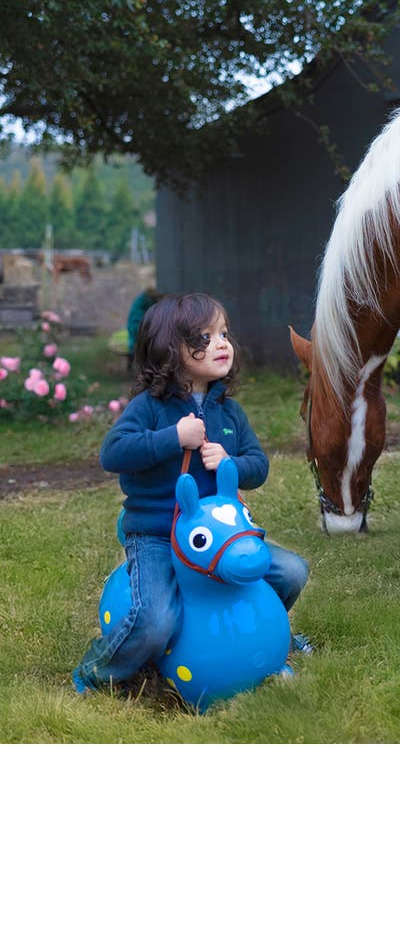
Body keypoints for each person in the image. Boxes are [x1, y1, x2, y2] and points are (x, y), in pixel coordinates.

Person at [73, 292, 311, 694]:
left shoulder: (230, 413)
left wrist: (231, 463)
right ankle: (98, 670)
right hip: (157, 535)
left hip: (220, 537)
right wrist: (173, 438)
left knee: (291, 572)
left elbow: (260, 466)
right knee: (154, 622)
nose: (222, 344)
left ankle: (270, 635)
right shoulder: (149, 408)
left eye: (223, 333)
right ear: (169, 348)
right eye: (204, 337)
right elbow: (113, 453)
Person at [126, 287, 159, 371]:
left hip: (135, 324)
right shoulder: (145, 300)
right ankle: (135, 366)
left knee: (135, 344)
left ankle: (133, 366)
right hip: (137, 324)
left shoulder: (143, 299)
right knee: (137, 345)